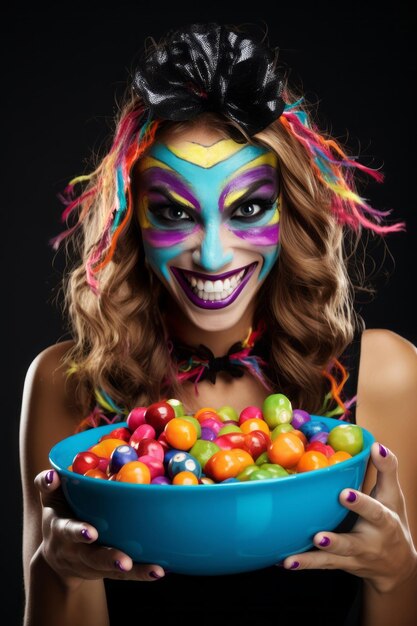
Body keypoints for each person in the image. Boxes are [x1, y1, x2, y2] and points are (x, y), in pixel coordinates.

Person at [19, 22, 417, 626]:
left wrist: (396, 573)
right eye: (175, 212)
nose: (211, 255)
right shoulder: (65, 383)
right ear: (133, 222)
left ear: (290, 214)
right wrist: (59, 569)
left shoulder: (387, 376)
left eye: (248, 208)